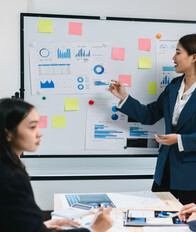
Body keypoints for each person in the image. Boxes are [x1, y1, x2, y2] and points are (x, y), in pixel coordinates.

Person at [109, 33, 196, 206]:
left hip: (194, 177)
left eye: (178, 52)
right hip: (165, 171)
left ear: (194, 57)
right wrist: (124, 97)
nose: (173, 58)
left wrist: (181, 140)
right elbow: (149, 114)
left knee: (188, 225)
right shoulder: (174, 86)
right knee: (156, 219)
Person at [0, 98, 114, 232]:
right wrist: (94, 229)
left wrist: (39, 225)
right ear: (8, 134)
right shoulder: (11, 177)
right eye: (32, 127)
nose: (39, 133)